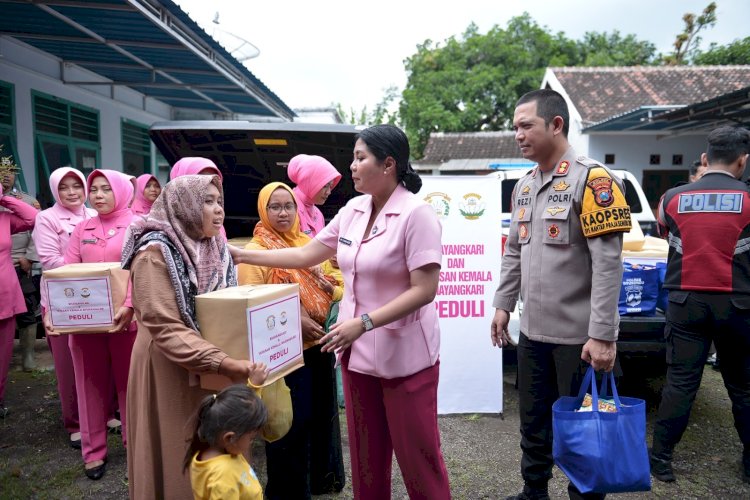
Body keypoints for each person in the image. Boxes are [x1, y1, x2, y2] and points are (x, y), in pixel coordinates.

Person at [232, 124, 451, 500]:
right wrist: (244, 253)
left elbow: (425, 290)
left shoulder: (418, 215)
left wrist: (364, 323)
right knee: (367, 459)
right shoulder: (353, 210)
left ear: (388, 164)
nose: (351, 166)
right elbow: (306, 255)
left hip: (406, 358)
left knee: (419, 458)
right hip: (357, 357)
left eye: (360, 157)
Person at [490, 89, 631, 500]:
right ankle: (533, 490)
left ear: (556, 125)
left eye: (526, 125)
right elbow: (514, 250)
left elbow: (609, 264)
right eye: (515, 127)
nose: (518, 135)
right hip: (534, 334)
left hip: (579, 341)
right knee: (533, 423)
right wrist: (502, 304)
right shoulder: (524, 186)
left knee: (585, 434)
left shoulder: (594, 180)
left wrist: (603, 335)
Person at [122, 174, 268, 499]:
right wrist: (224, 361)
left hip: (216, 365)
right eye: (207, 201)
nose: (218, 211)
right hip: (169, 368)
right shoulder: (153, 254)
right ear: (183, 205)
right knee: (178, 450)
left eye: (220, 202)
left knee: (221, 458)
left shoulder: (213, 245)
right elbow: (165, 326)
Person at [649, 126, 750, 484]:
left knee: (681, 382)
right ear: (743, 160)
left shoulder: (672, 198)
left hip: (684, 300)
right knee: (742, 387)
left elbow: (665, 232)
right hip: (738, 304)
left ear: (705, 159)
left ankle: (660, 461)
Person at [237, 182, 344, 499]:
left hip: (320, 346)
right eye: (275, 206)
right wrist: (295, 318)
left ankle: (315, 484)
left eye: (289, 206)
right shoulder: (255, 253)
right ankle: (287, 492)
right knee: (287, 427)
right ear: (263, 210)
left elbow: (338, 287)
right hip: (283, 354)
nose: (283, 213)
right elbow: (252, 301)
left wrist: (328, 293)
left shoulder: (308, 245)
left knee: (317, 420)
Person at [44, 169, 137, 480]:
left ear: (122, 192)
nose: (98, 195)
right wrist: (51, 308)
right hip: (85, 323)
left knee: (130, 387)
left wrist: (130, 305)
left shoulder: (138, 226)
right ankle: (93, 452)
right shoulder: (82, 227)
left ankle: (134, 447)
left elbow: (143, 271)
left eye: (106, 189)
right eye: (94, 189)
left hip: (127, 323)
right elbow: (64, 273)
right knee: (89, 387)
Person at [32, 167, 96, 449]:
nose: (72, 192)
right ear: (55, 190)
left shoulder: (94, 215)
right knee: (68, 364)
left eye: (77, 186)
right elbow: (49, 260)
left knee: (96, 360)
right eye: (64, 187)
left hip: (96, 299)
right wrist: (92, 265)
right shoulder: (46, 218)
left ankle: (101, 415)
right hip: (62, 301)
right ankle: (76, 423)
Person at [0, 160, 38, 418]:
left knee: (2, 356)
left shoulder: (4, 218)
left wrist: (5, 199)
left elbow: (33, 217)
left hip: (5, 294)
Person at [185, 384, 268, 500]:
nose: (251, 443)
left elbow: (247, 411)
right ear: (229, 438)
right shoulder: (223, 478)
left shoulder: (210, 450)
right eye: (251, 439)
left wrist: (256, 387)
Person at [287, 154, 341, 236]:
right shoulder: (286, 208)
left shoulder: (318, 214)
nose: (328, 192)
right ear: (309, 182)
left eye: (330, 186)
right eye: (325, 186)